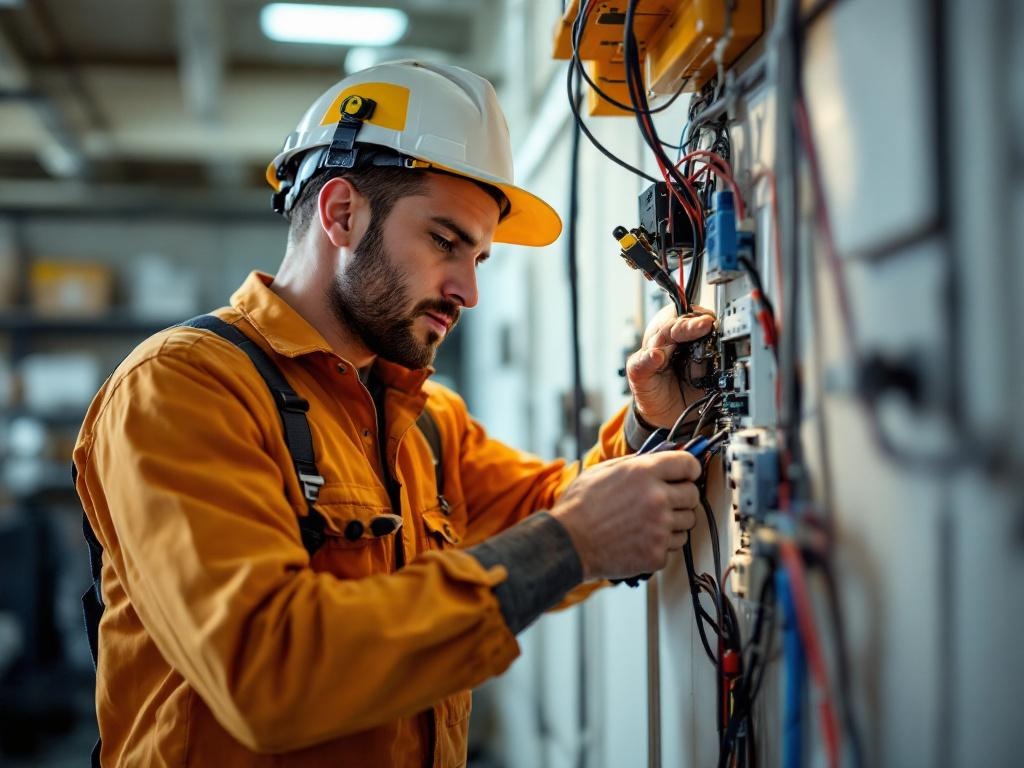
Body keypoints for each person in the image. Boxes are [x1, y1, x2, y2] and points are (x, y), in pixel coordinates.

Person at [73, 60, 714, 767]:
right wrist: (568, 546)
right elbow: (265, 674)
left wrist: (649, 425)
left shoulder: (425, 419)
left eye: (479, 257)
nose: (467, 290)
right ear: (342, 213)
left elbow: (551, 510)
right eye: (445, 242)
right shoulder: (184, 389)